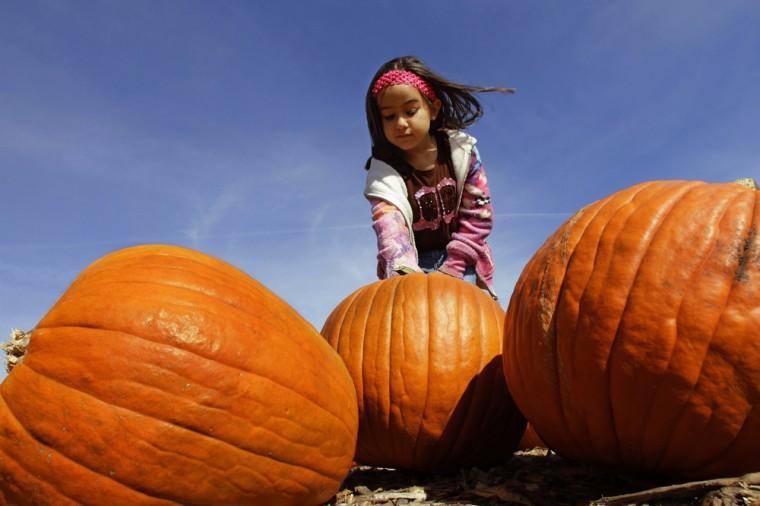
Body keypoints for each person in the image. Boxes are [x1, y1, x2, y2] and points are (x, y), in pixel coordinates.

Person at [363, 55, 513, 299]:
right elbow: (390, 231)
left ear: (433, 109)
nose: (401, 123)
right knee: (408, 323)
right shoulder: (383, 175)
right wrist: (406, 276)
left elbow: (478, 214)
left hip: (464, 256)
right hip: (412, 262)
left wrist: (455, 265)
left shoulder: (462, 152)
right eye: (389, 116)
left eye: (410, 111)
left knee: (469, 320)